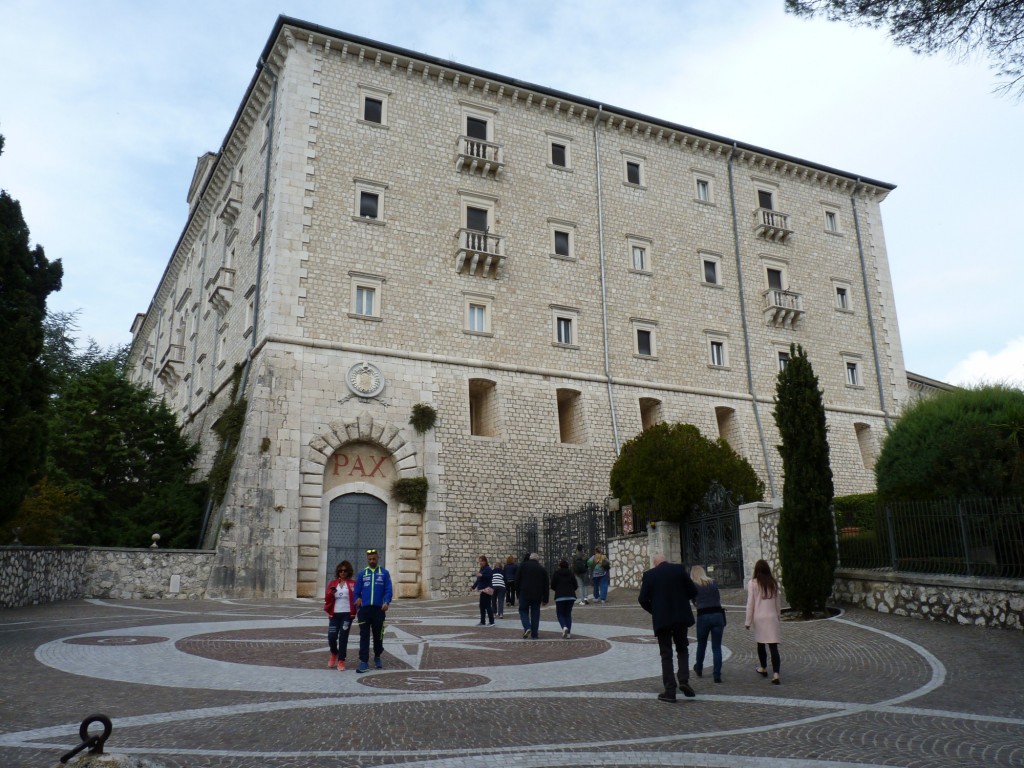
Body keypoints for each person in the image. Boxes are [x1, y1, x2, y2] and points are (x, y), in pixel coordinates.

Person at [638, 553, 698, 702]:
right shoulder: (679, 570)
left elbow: (642, 599)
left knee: (666, 654)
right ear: (666, 561)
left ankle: (670, 690)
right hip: (680, 617)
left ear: (655, 563)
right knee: (682, 648)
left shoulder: (650, 575)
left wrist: (654, 610)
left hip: (662, 619)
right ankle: (684, 681)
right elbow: (693, 591)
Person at [354, 548, 393, 673]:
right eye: (370, 559)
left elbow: (388, 589)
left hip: (378, 610)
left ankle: (377, 656)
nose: (372, 561)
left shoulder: (384, 573)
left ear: (378, 558)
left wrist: (386, 601)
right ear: (367, 559)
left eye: (374, 559)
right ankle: (364, 661)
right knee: (364, 636)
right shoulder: (362, 574)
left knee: (378, 635)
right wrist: (358, 602)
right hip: (364, 611)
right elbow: (356, 592)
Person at [745, 558, 782, 685]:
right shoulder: (773, 582)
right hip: (771, 617)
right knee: (773, 646)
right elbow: (777, 601)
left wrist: (748, 621)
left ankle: (763, 667)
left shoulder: (752, 583)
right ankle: (776, 673)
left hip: (759, 618)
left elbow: (751, 604)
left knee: (760, 644)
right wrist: (778, 615)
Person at [690, 565, 726, 683]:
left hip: (703, 616)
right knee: (716, 647)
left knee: (702, 644)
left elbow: (694, 601)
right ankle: (717, 674)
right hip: (717, 615)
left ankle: (699, 667)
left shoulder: (694, 586)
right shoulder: (713, 582)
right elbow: (717, 598)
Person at [323, 560, 356, 670]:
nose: (343, 572)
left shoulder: (352, 584)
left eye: (345, 571)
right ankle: (334, 653)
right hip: (334, 614)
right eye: (340, 570)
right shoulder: (332, 583)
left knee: (343, 637)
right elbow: (327, 599)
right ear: (338, 572)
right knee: (331, 637)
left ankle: (341, 660)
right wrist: (330, 594)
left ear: (348, 572)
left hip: (347, 614)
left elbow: (357, 597)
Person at [514, 552, 549, 639]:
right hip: (537, 594)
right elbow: (546, 585)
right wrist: (545, 599)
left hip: (524, 592)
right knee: (535, 614)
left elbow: (517, 580)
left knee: (523, 611)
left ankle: (527, 627)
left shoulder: (523, 566)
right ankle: (534, 634)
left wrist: (517, 593)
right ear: (537, 559)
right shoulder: (542, 569)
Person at [550, 558, 577, 638]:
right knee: (568, 614)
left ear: (560, 566)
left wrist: (557, 590)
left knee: (560, 614)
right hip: (571, 596)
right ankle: (568, 633)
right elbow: (575, 585)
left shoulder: (556, 573)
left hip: (560, 596)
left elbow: (552, 585)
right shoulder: (571, 573)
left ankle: (564, 627)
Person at [471, 555, 495, 626]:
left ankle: (491, 621)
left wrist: (482, 575)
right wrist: (473, 587)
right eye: (479, 561)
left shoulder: (488, 569)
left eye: (482, 561)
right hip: (482, 590)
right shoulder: (482, 569)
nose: (480, 562)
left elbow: (490, 577)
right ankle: (482, 621)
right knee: (482, 606)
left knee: (487, 606)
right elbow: (478, 580)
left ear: (485, 561)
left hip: (487, 590)